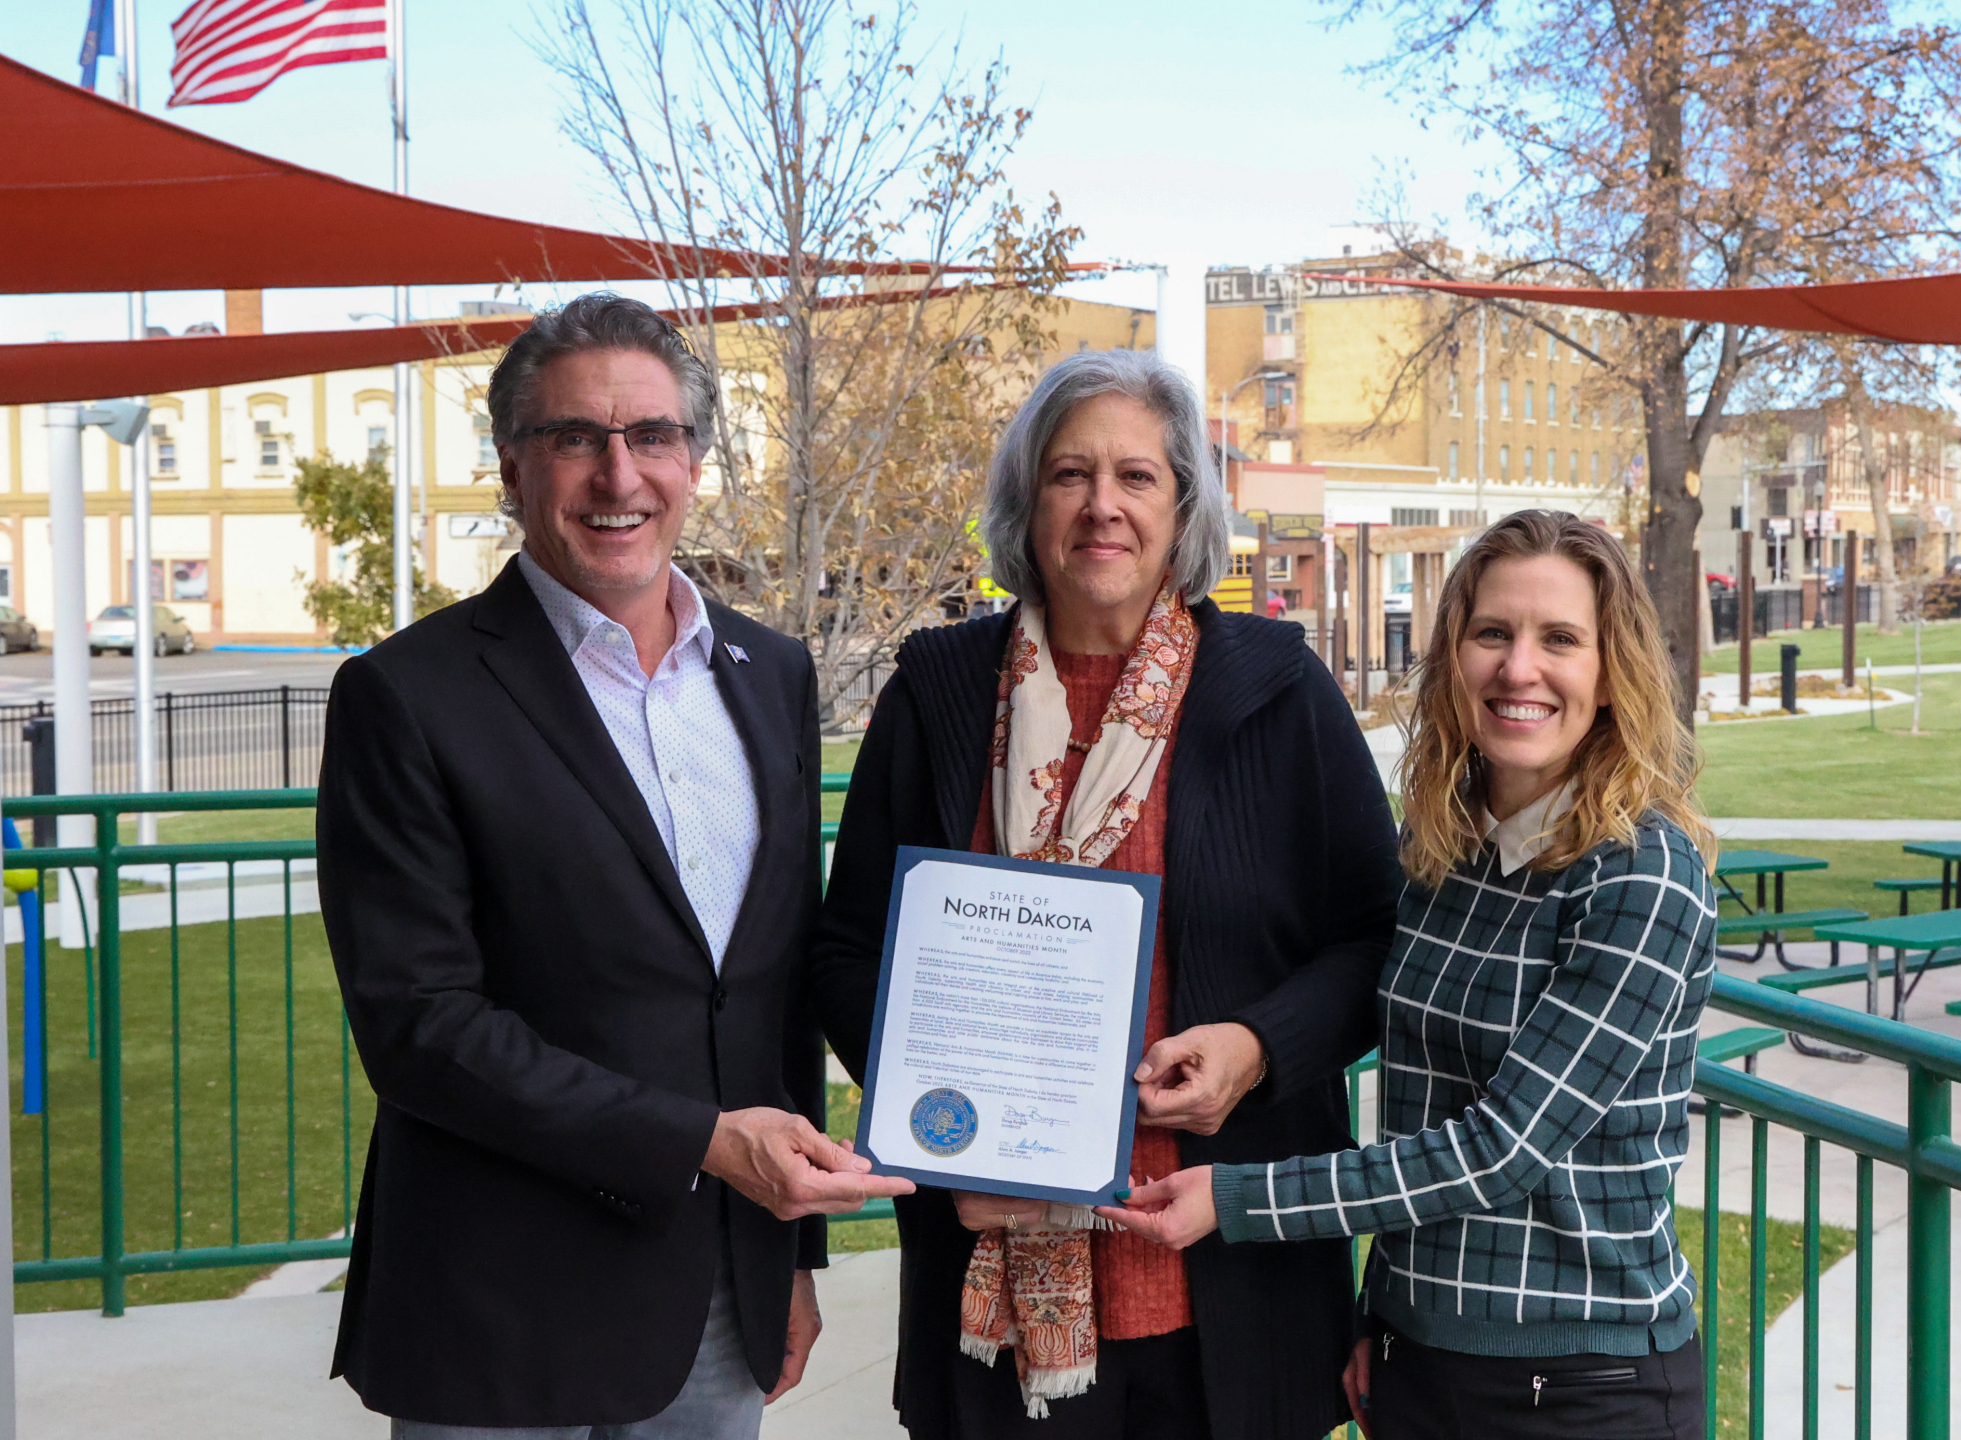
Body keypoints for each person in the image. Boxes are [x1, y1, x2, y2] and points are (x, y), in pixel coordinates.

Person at [316, 292, 911, 1438]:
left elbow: (767, 989)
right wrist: (698, 1141)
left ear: (692, 460)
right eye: (574, 437)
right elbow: (419, 1025)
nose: (618, 475)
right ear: (511, 465)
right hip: (501, 1299)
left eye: (652, 436)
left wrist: (792, 1258)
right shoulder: (408, 696)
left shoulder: (768, 674)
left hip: (719, 1296)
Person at [812, 348, 1400, 1440]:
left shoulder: (1278, 692)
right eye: (1069, 475)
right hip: (988, 1288)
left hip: (1231, 1283)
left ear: (1183, 509)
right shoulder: (937, 693)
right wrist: (937, 1144)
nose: (1101, 506)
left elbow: (1375, 939)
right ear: (1026, 503)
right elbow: (847, 953)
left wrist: (1261, 1047)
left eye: (1137, 476)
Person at [1107, 509, 1721, 1440]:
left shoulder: (1642, 872)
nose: (1520, 669)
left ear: (1611, 672)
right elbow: (1417, 1106)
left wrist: (1235, 1200)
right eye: (1492, 634)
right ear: (1454, 656)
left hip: (1584, 1381)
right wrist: (1382, 1315)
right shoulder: (1444, 845)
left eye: (1560, 639)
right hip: (1416, 1364)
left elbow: (1501, 1149)